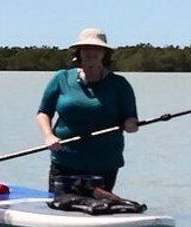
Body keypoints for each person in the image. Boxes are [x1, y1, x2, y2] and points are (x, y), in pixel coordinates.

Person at [35, 28, 138, 192]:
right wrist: (49, 136)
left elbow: (130, 118)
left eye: (97, 48)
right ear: (79, 53)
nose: (91, 52)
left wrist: (130, 124)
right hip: (65, 161)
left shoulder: (119, 84)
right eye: (86, 49)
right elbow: (43, 113)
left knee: (99, 209)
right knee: (61, 208)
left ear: (104, 54)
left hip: (105, 164)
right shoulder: (61, 78)